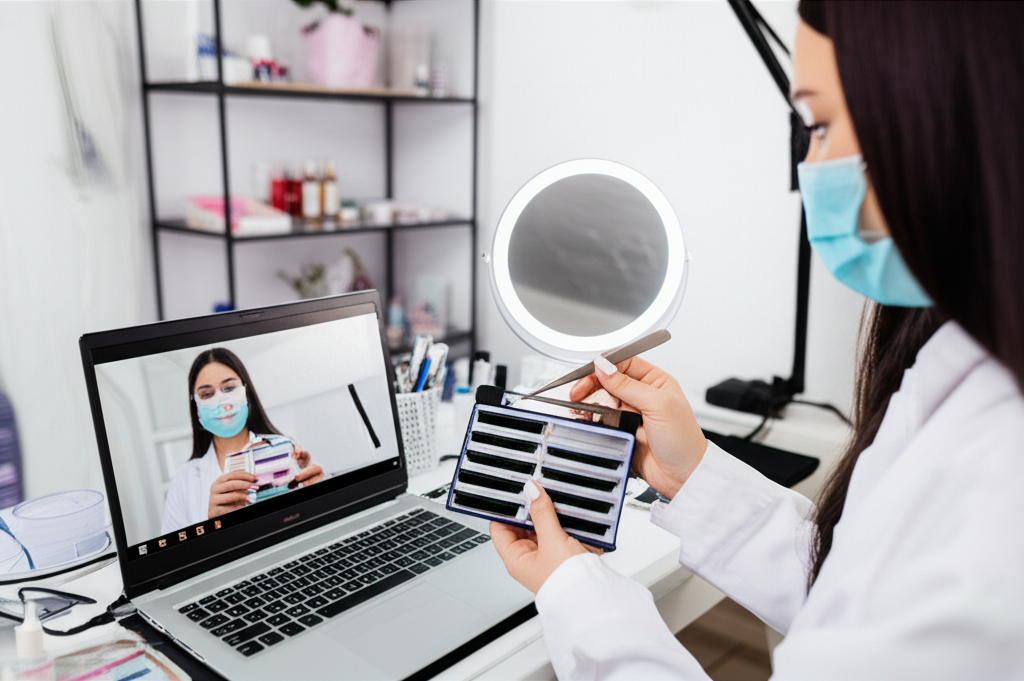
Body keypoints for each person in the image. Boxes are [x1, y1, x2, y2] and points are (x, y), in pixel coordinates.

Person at [490, 2, 1024, 678]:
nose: (812, 165)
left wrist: (575, 591)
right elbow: (849, 592)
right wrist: (690, 474)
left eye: (822, 125)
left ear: (942, 119)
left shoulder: (998, 468)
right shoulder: (961, 367)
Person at [161, 348, 324, 535]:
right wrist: (213, 526)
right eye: (207, 394)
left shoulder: (288, 452)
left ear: (246, 392)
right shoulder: (185, 480)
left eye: (229, 388)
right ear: (196, 405)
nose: (222, 402)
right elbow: (175, 558)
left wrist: (316, 497)